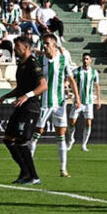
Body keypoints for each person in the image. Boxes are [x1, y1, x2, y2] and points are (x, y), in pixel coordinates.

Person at [0, 36, 47, 185]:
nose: (15, 48)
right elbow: (21, 87)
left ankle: (33, 176)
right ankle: (25, 172)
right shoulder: (21, 64)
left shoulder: (33, 63)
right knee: (8, 139)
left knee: (21, 141)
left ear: (26, 47)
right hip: (21, 105)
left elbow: (43, 86)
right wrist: (7, 95)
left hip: (31, 107)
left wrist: (26, 96)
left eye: (17, 46)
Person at [28, 34, 81, 178]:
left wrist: (77, 98)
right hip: (44, 103)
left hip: (60, 104)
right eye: (43, 44)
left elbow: (71, 79)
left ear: (54, 45)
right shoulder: (40, 60)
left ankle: (63, 169)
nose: (44, 46)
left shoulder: (63, 60)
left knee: (61, 135)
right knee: (36, 134)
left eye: (46, 44)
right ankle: (28, 167)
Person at [67, 53, 101, 152]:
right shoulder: (76, 71)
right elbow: (70, 81)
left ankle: (84, 144)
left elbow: (97, 86)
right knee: (72, 121)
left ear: (90, 61)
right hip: (78, 101)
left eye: (87, 59)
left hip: (89, 102)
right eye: (84, 59)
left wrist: (99, 100)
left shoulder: (94, 72)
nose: (85, 60)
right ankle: (71, 140)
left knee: (88, 123)